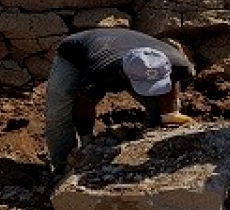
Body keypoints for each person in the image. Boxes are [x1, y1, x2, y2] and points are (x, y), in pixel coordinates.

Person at [45, 28, 194, 175]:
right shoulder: (100, 74)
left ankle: (151, 132)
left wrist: (170, 114)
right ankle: (62, 167)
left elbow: (173, 80)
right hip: (74, 53)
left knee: (159, 107)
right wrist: (87, 144)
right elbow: (84, 106)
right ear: (125, 76)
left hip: (126, 43)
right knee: (57, 113)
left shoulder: (180, 65)